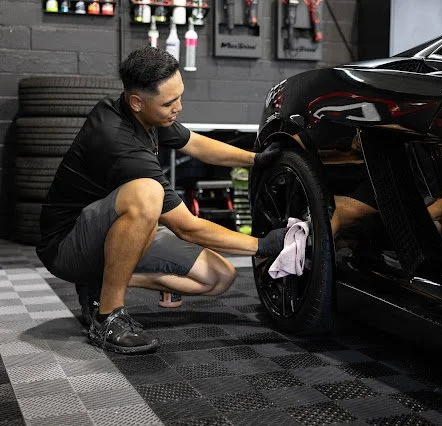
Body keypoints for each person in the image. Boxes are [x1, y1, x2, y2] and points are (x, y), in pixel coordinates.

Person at [36, 46, 286, 355]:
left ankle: (100, 282)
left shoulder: (147, 117)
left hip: (114, 232)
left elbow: (196, 144)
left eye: (179, 97)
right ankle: (107, 318)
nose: (178, 107)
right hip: (67, 244)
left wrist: (254, 159)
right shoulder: (118, 139)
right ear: (137, 102)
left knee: (219, 277)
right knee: (148, 193)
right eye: (169, 102)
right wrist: (263, 245)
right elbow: (188, 227)